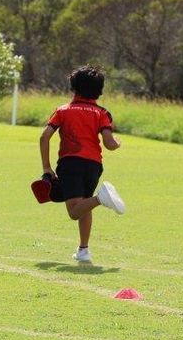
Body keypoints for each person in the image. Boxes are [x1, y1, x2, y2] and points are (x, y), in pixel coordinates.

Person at [39, 65, 125, 264]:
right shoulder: (102, 113)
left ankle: (101, 198)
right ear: (99, 90)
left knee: (74, 211)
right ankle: (83, 250)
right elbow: (109, 144)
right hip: (94, 165)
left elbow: (44, 137)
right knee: (84, 205)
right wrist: (118, 143)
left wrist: (46, 167)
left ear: (74, 87)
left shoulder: (63, 111)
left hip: (70, 163)